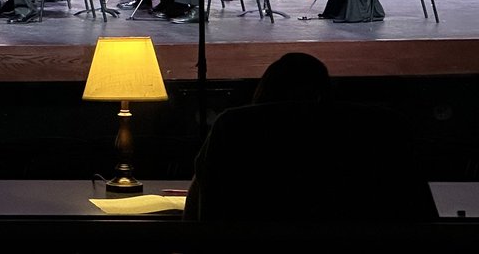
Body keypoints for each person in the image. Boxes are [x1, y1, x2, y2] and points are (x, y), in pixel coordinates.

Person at [183, 52, 436, 221]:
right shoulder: (384, 128)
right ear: (322, 92)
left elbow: (197, 214)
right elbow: (420, 210)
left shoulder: (233, 127)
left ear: (264, 91)